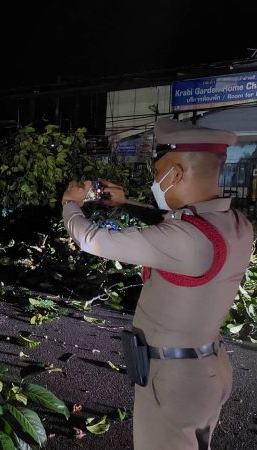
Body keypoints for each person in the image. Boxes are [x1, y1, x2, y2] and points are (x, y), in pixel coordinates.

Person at [60, 117, 253, 450]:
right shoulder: (236, 224)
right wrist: (126, 204)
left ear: (175, 173)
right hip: (209, 370)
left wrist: (70, 204)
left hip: (174, 381)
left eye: (156, 175)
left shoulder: (187, 240)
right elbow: (172, 227)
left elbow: (92, 240)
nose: (155, 182)